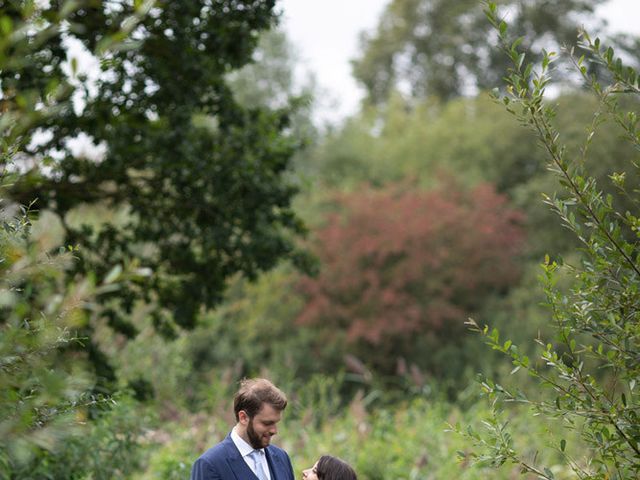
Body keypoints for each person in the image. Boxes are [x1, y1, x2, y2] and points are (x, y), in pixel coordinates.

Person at [190, 378, 295, 480]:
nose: (274, 431)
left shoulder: (282, 458)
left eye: (276, 423)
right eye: (267, 423)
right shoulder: (210, 465)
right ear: (243, 417)